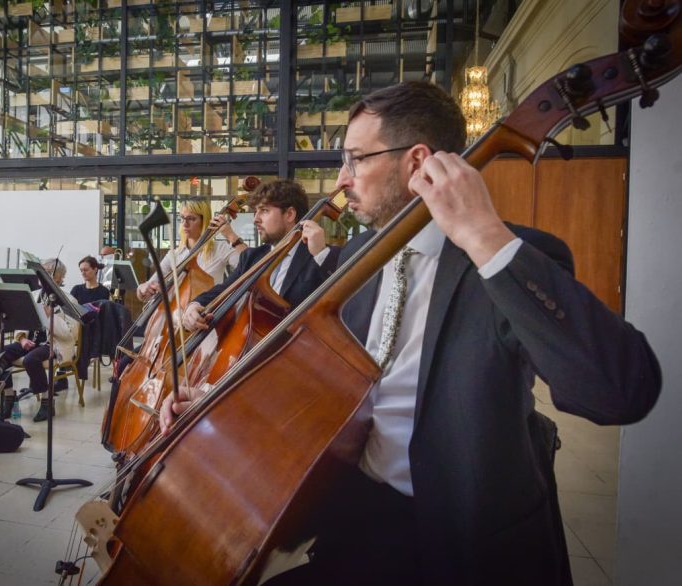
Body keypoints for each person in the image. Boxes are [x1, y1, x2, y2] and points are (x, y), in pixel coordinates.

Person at [163, 82, 661, 586]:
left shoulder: (505, 257)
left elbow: (619, 392)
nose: (342, 180)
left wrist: (483, 235)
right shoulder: (357, 256)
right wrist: (215, 405)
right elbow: (319, 382)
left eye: (356, 159)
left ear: (417, 161)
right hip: (357, 519)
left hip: (465, 540)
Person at [181, 179, 337, 332]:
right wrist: (194, 306)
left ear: (289, 214)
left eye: (264, 210)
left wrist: (321, 254)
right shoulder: (252, 257)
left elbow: (335, 302)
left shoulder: (318, 256)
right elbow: (223, 290)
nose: (255, 219)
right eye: (256, 211)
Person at [0, 258, 80, 422]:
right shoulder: (33, 295)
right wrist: (22, 339)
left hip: (54, 344)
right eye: (40, 272)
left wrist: (50, 317)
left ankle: (47, 402)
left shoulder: (69, 300)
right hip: (29, 342)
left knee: (31, 360)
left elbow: (70, 334)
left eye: (47, 273)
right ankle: (9, 396)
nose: (41, 276)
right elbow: (21, 321)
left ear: (59, 278)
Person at [136, 198, 247, 303]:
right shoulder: (174, 254)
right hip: (176, 314)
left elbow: (249, 264)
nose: (184, 224)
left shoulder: (220, 249)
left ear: (204, 221)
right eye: (182, 218)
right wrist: (142, 289)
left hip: (206, 312)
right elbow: (149, 289)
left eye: (191, 219)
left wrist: (230, 235)